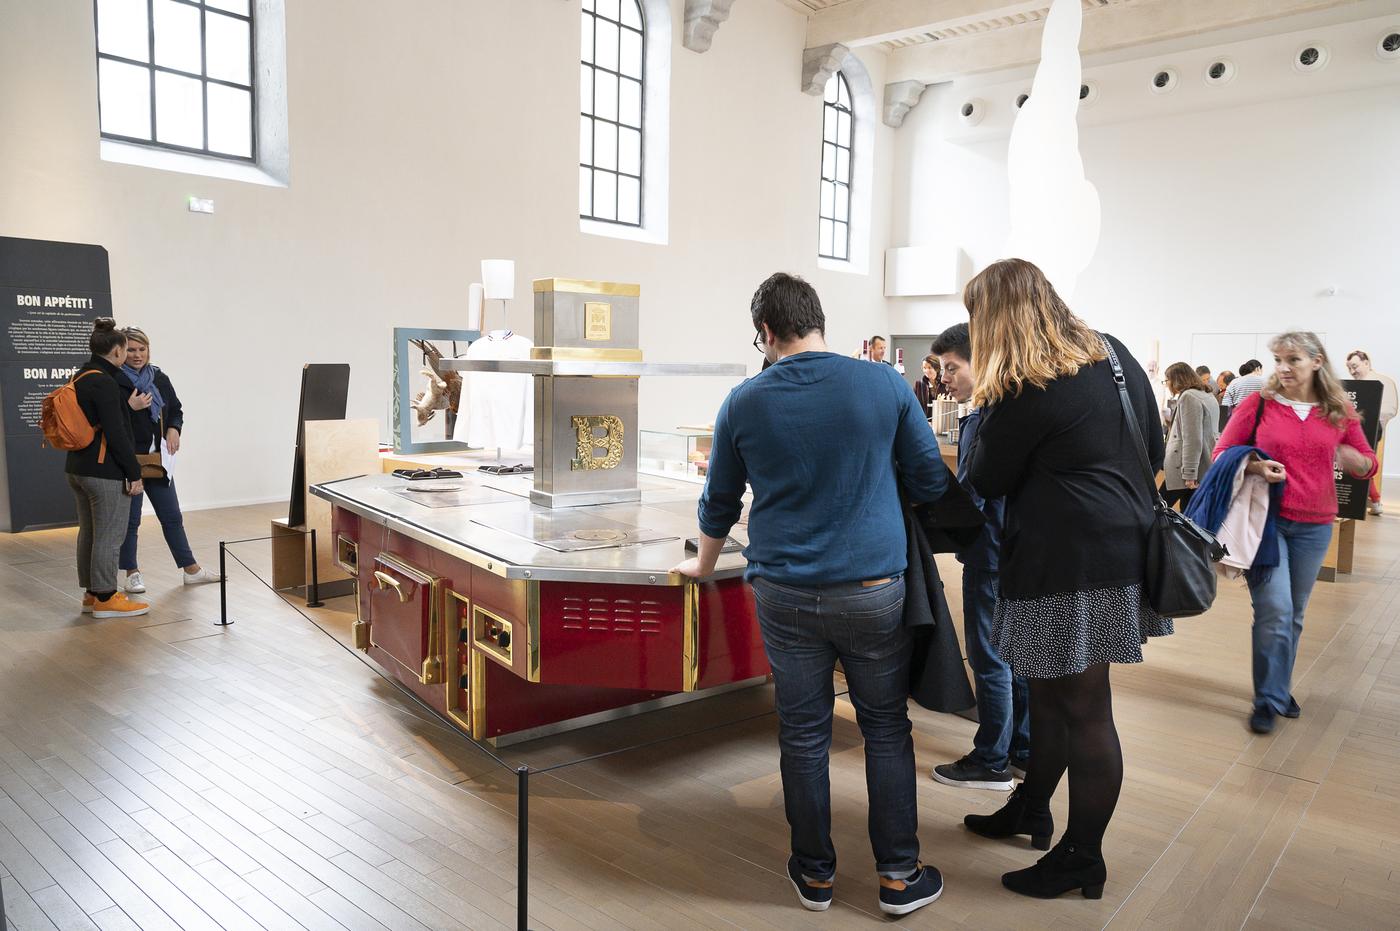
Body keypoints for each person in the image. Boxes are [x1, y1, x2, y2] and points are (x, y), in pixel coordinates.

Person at [674, 273, 949, 917]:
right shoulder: (882, 382)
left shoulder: (744, 401)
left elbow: (718, 503)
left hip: (785, 591)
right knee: (885, 728)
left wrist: (703, 567)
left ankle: (816, 876)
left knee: (802, 733)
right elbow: (931, 479)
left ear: (766, 333)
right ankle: (898, 877)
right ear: (820, 321)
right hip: (874, 588)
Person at [959, 259, 1169, 900]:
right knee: (1052, 695)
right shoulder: (1113, 355)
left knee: (1084, 709)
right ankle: (1032, 809)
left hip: (1067, 563)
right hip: (1117, 550)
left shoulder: (1027, 384)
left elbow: (985, 478)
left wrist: (979, 407)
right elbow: (1154, 451)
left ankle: (1083, 856)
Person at [1218, 334, 1377, 734]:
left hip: (1315, 524)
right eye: (1277, 360)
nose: (1283, 368)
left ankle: (1276, 686)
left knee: (1295, 613)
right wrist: (1255, 467)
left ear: (1317, 361)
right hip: (1266, 523)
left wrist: (1358, 461)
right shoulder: (1258, 405)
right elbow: (1222, 453)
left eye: (1293, 359)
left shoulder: (1337, 410)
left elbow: (1367, 462)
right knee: (1274, 609)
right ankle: (1268, 698)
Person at [929, 323, 1029, 792]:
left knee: (991, 660)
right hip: (1016, 552)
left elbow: (975, 495)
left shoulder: (987, 419)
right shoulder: (1012, 413)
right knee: (1016, 657)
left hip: (989, 554)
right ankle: (1020, 747)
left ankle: (991, 759)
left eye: (953, 368)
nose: (945, 378)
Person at [117, 327, 220, 593]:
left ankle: (191, 569)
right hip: (129, 462)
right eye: (131, 349)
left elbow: (175, 409)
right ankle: (132, 573)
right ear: (120, 351)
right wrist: (130, 408)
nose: (137, 355)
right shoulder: (115, 379)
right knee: (131, 521)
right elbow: (111, 421)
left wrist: (174, 428)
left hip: (159, 460)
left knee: (172, 516)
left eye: (142, 349)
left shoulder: (158, 377)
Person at [66, 319, 149, 619]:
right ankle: (105, 597)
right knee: (109, 535)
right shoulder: (105, 382)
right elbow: (116, 433)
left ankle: (90, 593)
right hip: (103, 470)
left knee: (89, 531)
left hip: (77, 466)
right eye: (126, 350)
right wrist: (134, 472)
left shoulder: (81, 376)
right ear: (116, 351)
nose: (128, 355)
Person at [1161, 362, 1219, 512]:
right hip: (1203, 464)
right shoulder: (1207, 394)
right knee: (1188, 513)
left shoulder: (1189, 397)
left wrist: (1189, 473)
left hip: (1184, 469)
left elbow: (1192, 439)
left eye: (1167, 380)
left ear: (1176, 379)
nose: (1167, 384)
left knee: (1157, 508)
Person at [1344, 350, 1396, 515]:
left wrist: (1375, 421)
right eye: (1349, 368)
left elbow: (1389, 409)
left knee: (1361, 462)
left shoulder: (1380, 382)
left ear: (1366, 363)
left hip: (1370, 427)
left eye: (1355, 366)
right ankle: (1373, 500)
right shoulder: (1358, 386)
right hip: (1359, 427)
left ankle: (1373, 500)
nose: (1352, 372)